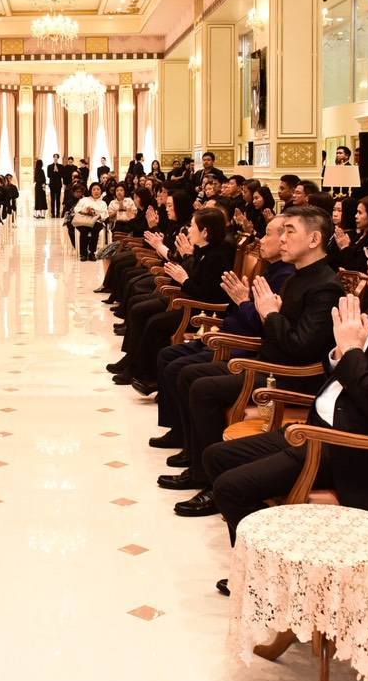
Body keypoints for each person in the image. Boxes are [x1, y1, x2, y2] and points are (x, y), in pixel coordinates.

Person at [202, 216, 368, 588]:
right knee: (216, 457)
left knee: (231, 487)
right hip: (321, 429)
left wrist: (350, 351)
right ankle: (276, 567)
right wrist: (339, 353)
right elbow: (338, 364)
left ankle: (274, 583)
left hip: (355, 449)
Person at [161, 207, 346, 516]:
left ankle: (210, 482)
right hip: (270, 362)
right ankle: (198, 462)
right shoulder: (299, 276)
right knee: (190, 374)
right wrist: (265, 312)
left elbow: (301, 347)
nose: (283, 239)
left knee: (204, 387)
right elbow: (277, 332)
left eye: (290, 232)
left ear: (314, 239)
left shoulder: (325, 287)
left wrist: (269, 313)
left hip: (291, 375)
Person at [107, 207, 236, 392]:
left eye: (193, 226)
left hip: (202, 312)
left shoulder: (218, 256)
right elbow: (192, 275)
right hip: (187, 301)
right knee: (141, 311)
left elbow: (207, 293)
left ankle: (147, 374)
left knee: (155, 323)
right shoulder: (203, 249)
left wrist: (184, 279)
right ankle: (134, 363)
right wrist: (187, 261)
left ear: (205, 232)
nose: (189, 230)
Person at [331, 195, 368, 273]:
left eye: (360, 213)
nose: (356, 216)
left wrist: (345, 247)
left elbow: (358, 267)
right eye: (357, 212)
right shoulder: (360, 235)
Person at [72, 182, 109, 260]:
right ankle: (83, 254)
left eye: (98, 189)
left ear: (101, 191)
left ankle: (92, 253)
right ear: (91, 191)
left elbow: (105, 214)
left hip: (96, 221)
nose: (96, 191)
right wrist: (85, 211)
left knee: (95, 230)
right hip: (84, 221)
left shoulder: (103, 203)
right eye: (94, 189)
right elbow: (76, 209)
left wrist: (95, 213)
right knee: (83, 231)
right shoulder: (84, 200)